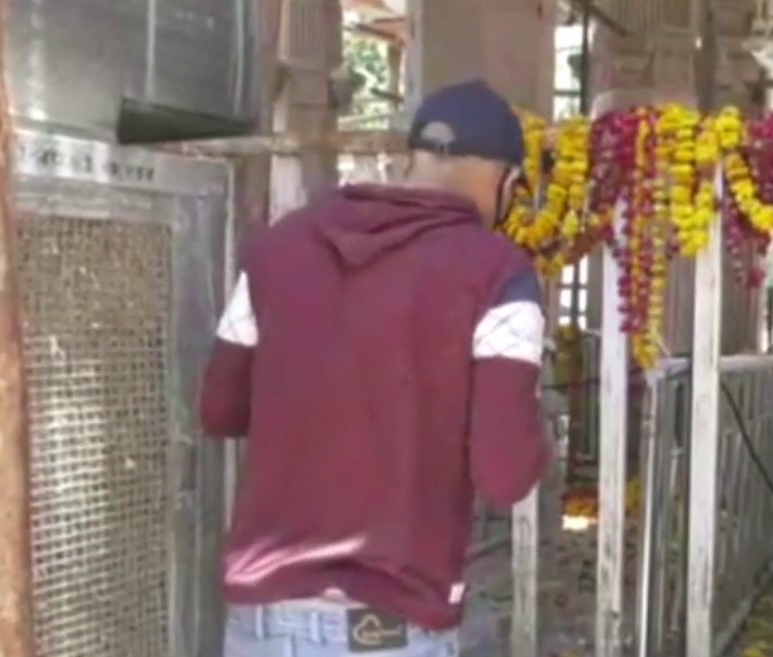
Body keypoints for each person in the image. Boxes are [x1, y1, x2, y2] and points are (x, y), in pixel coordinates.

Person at [199, 79, 551, 657]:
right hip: (391, 626)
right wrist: (540, 440)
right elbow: (505, 472)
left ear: (411, 159)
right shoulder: (497, 273)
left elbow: (220, 410)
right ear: (507, 182)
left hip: (262, 617)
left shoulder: (276, 249)